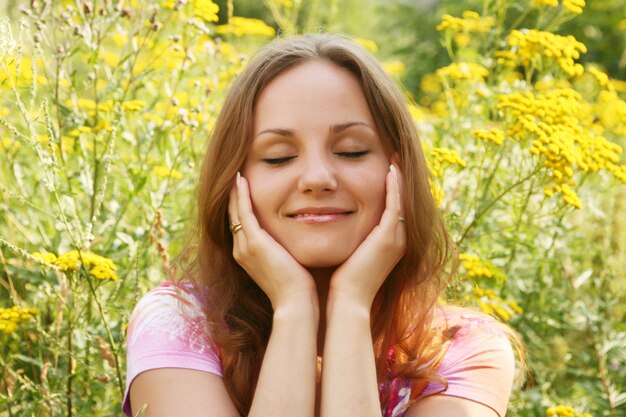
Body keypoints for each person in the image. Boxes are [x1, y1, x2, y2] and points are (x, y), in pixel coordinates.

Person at [123, 33, 518, 417]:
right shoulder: (180, 323)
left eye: (352, 151)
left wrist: (351, 305)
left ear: (399, 171)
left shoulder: (465, 351)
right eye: (278, 157)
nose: (317, 177)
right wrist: (294, 306)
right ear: (234, 183)